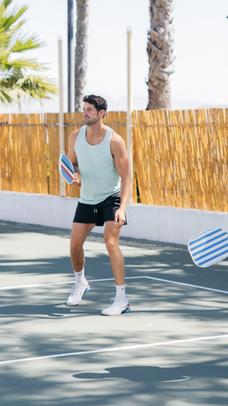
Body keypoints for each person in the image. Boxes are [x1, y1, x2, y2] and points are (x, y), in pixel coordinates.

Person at [65, 94, 131, 316]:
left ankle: (122, 300)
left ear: (101, 113)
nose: (85, 113)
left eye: (89, 110)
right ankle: (81, 283)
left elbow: (127, 176)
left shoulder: (115, 141)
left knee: (110, 243)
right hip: (87, 198)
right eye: (83, 109)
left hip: (111, 198)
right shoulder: (75, 137)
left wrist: (122, 207)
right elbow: (71, 163)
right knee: (75, 245)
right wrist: (74, 176)